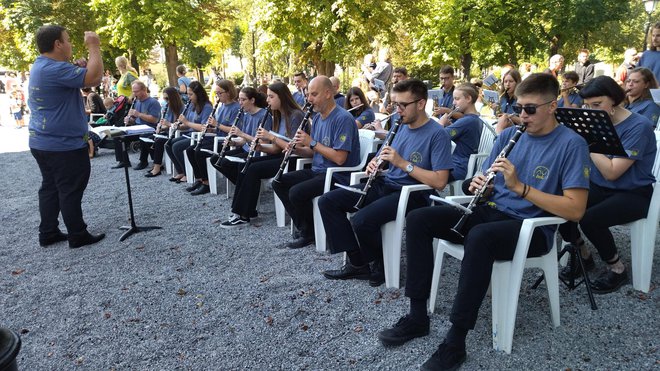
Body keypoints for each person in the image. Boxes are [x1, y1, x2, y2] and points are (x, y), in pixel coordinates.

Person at [377, 73, 590, 370]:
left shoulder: (572, 144)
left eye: (530, 109)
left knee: (480, 237)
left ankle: (455, 341)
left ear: (552, 106)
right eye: (518, 108)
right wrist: (478, 184)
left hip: (532, 227)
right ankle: (417, 316)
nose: (522, 116)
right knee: (419, 219)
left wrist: (521, 189)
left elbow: (575, 210)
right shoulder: (507, 137)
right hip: (492, 211)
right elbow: (480, 183)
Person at [319, 78, 453, 286]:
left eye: (402, 105)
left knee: (361, 220)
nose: (397, 110)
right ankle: (358, 262)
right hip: (385, 184)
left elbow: (440, 181)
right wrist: (376, 163)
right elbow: (383, 156)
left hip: (412, 194)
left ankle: (380, 263)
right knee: (328, 201)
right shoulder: (399, 126)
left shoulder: (438, 134)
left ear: (421, 103)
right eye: (395, 104)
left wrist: (402, 163)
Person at [558, 76, 657, 293]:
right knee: (556, 201)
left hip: (634, 193)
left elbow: (612, 172)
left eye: (596, 105)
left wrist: (588, 141)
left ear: (614, 101)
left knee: (590, 219)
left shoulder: (639, 126)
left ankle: (617, 268)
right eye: (587, 106)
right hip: (601, 187)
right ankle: (584, 255)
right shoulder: (595, 121)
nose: (590, 111)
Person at [28, 24, 106, 248]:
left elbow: (86, 78)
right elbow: (94, 77)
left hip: (42, 140)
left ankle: (48, 232)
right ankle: (78, 234)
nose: (72, 44)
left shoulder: (41, 66)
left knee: (50, 187)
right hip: (62, 144)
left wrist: (78, 69)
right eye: (68, 40)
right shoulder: (54, 70)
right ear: (57, 44)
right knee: (70, 188)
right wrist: (94, 46)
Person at [272, 76, 361, 249]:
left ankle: (308, 233)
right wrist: (298, 149)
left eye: (313, 94)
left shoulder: (342, 119)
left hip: (337, 174)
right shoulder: (318, 117)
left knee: (297, 192)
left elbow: (340, 158)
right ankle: (307, 227)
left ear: (328, 93)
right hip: (319, 170)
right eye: (308, 95)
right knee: (279, 182)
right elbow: (314, 152)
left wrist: (311, 142)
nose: (309, 99)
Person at [219, 82, 304, 228]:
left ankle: (244, 215)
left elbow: (296, 148)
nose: (267, 100)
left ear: (282, 97)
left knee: (252, 169)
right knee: (247, 163)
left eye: (271, 96)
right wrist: (260, 146)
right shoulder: (278, 115)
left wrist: (271, 138)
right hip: (281, 156)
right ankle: (241, 212)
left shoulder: (295, 115)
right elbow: (276, 148)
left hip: (294, 160)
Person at [209, 87, 272, 192]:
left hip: (256, 152)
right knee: (215, 159)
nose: (240, 103)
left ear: (252, 100)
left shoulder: (264, 116)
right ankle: (244, 185)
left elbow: (263, 143)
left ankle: (245, 187)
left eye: (243, 100)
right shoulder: (247, 115)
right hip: (246, 149)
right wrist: (233, 142)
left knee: (225, 163)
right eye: (239, 99)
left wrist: (241, 134)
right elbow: (243, 140)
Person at [182, 79, 241, 185]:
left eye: (220, 93)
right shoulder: (221, 106)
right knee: (190, 150)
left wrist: (216, 125)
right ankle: (200, 179)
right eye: (216, 93)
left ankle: (207, 182)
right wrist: (211, 129)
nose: (218, 96)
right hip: (217, 138)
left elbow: (234, 130)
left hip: (227, 142)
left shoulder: (236, 108)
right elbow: (219, 127)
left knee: (199, 152)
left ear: (228, 92)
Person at [165, 81, 213, 187]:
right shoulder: (192, 105)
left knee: (177, 146)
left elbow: (204, 127)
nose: (188, 97)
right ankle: (182, 171)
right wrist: (179, 125)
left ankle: (189, 174)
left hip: (201, 137)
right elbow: (189, 124)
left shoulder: (207, 107)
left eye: (191, 94)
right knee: (169, 143)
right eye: (187, 94)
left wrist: (186, 122)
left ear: (198, 94)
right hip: (192, 134)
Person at [438, 84, 483, 182]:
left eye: (457, 99)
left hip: (457, 168)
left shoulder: (467, 121)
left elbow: (439, 137)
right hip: (459, 165)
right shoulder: (472, 119)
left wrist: (441, 123)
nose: (454, 102)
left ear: (468, 99)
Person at [145, 87, 184, 177]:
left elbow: (179, 125)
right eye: (164, 99)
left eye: (167, 98)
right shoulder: (168, 107)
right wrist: (161, 127)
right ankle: (157, 163)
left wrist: (167, 124)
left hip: (177, 133)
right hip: (168, 132)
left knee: (158, 141)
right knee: (149, 139)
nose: (166, 101)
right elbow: (166, 124)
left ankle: (157, 168)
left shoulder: (181, 108)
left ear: (173, 98)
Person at [128, 81, 164, 170]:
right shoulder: (137, 102)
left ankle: (143, 161)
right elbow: (135, 119)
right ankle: (123, 161)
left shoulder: (153, 102)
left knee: (144, 136)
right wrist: (130, 120)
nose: (134, 94)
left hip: (150, 128)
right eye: (133, 91)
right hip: (138, 127)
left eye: (136, 91)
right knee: (120, 136)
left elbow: (155, 119)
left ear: (144, 90)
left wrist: (138, 114)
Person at [494, 69, 523, 133]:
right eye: (505, 81)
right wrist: (495, 109)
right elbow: (498, 116)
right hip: (502, 131)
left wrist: (510, 117)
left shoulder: (521, 99)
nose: (507, 84)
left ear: (517, 83)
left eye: (511, 81)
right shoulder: (502, 97)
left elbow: (524, 121)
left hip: (516, 132)